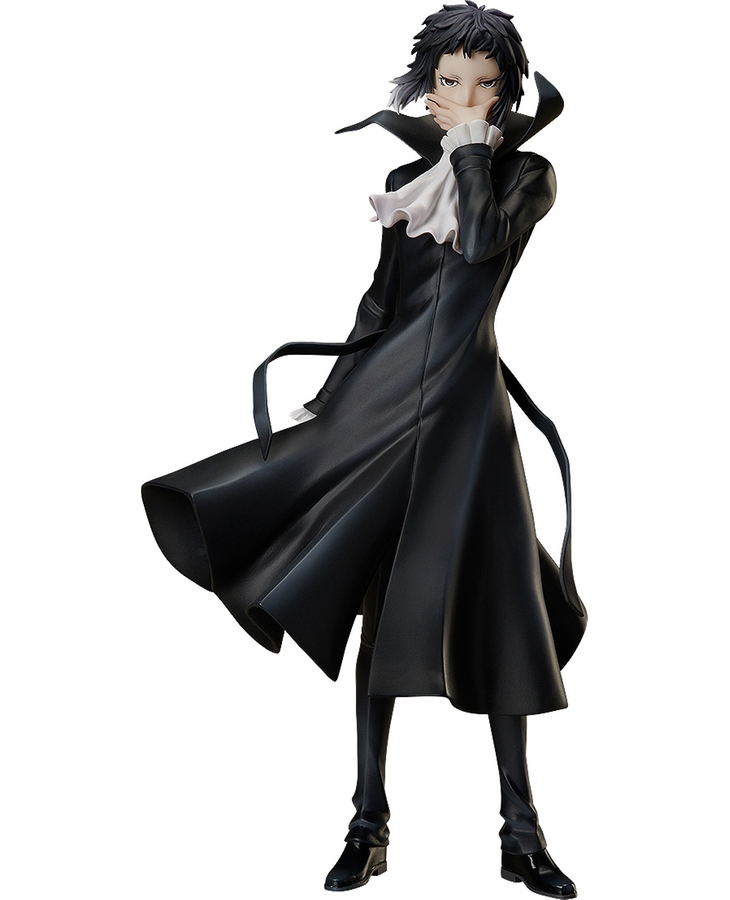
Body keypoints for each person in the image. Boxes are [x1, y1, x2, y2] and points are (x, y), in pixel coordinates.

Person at [141, 5, 587, 897]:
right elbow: (382, 300)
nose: (466, 97)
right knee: (382, 613)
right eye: (450, 81)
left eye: (486, 83)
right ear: (428, 86)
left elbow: (479, 249)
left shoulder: (526, 175)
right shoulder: (403, 179)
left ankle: (522, 834)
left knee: (499, 606)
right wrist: (333, 395)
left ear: (507, 91)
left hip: (469, 413)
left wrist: (472, 151)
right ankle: (367, 823)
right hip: (384, 407)